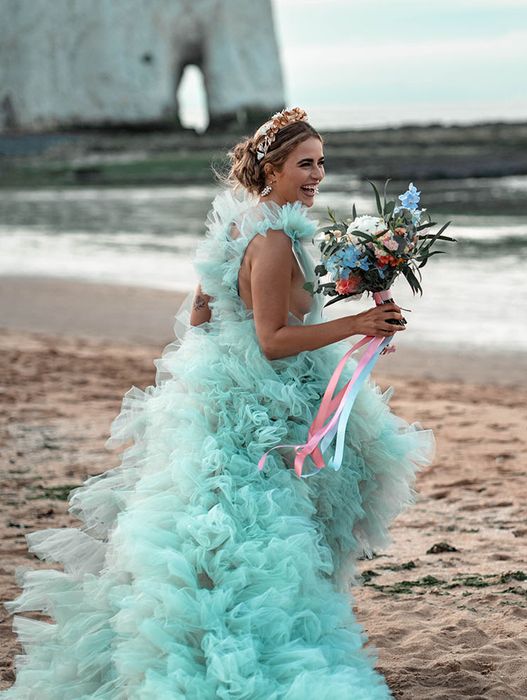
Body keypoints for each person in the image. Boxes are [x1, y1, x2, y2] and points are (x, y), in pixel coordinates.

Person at [1, 108, 434, 699]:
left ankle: (200, 635)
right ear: (272, 168)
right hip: (264, 402)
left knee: (227, 524)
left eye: (322, 163)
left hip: (227, 394)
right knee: (262, 528)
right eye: (305, 164)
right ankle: (257, 649)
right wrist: (357, 322)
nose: (317, 176)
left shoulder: (236, 223)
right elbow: (273, 340)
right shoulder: (276, 237)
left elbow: (203, 314)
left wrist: (227, 374)